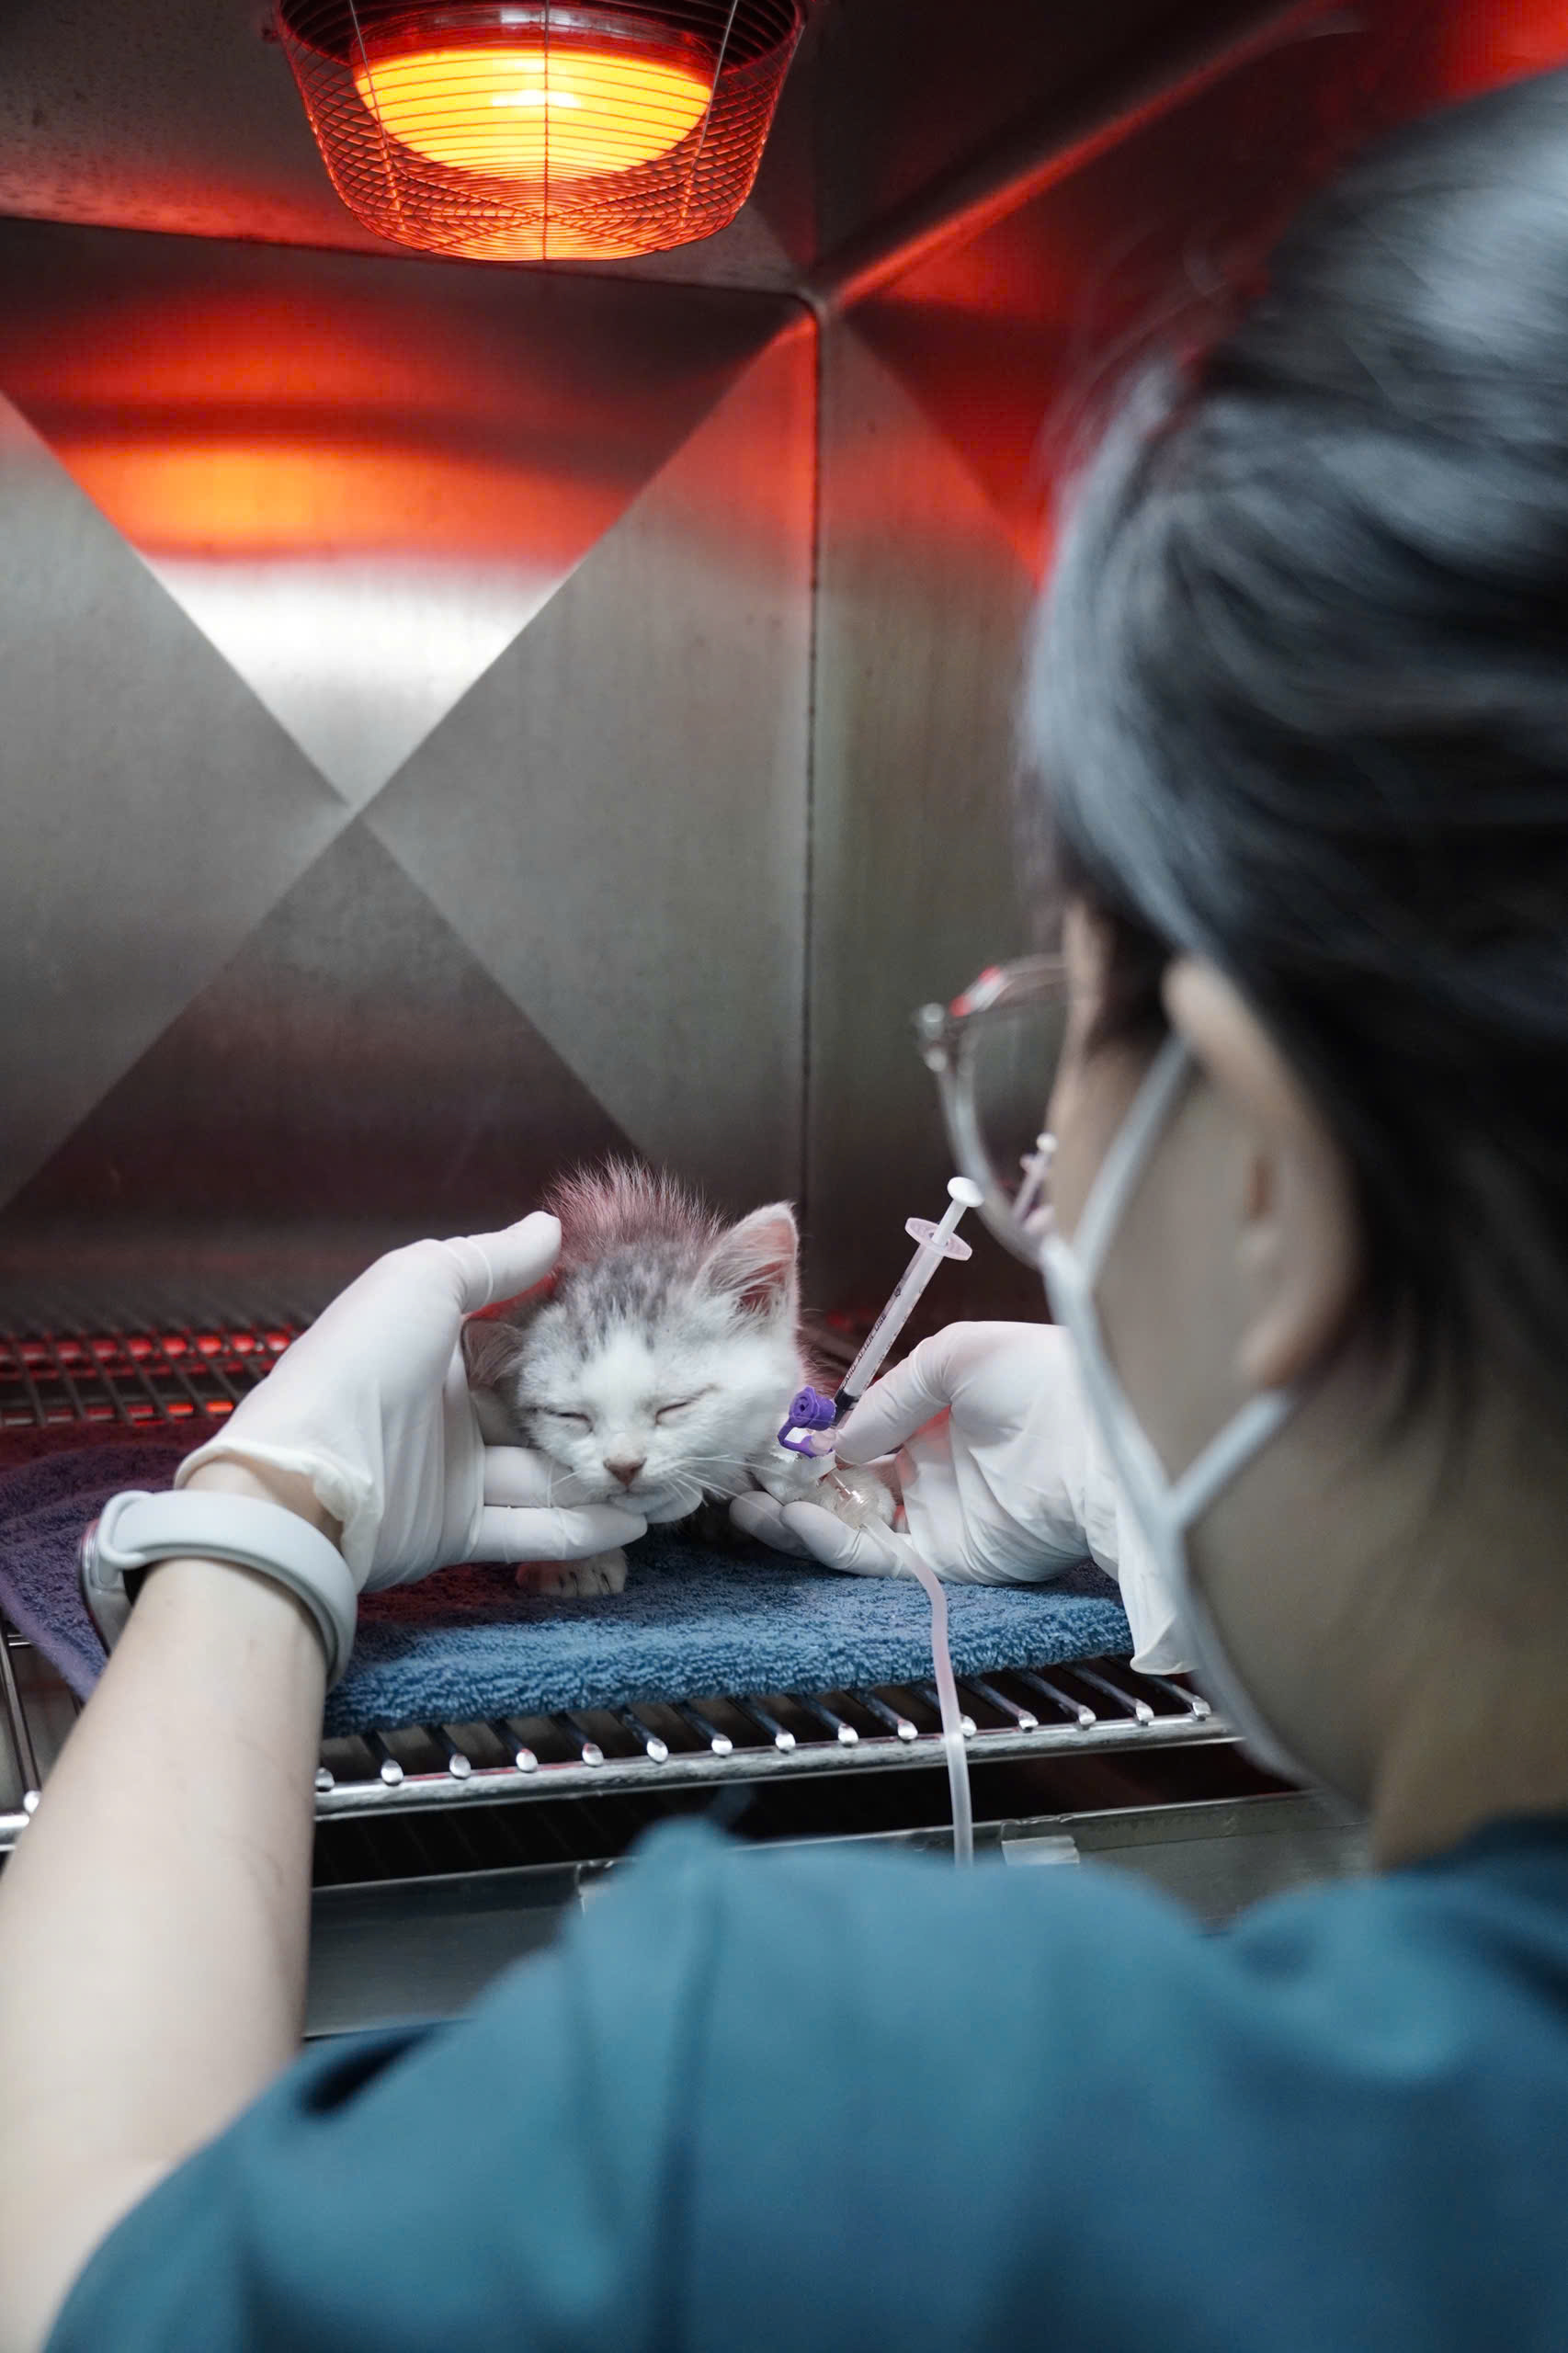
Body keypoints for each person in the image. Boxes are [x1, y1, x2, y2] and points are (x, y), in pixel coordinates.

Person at [6, 62, 1568, 2352]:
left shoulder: (800, 2114)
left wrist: (263, 1520)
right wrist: (1149, 1469)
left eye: (1060, 1040)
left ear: (1264, 1181)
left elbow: (65, 2263)